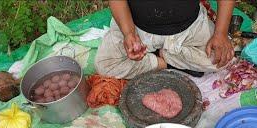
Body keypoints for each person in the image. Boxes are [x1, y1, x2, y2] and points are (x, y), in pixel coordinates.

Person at [95, 0, 235, 79]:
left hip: (190, 28)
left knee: (223, 60)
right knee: (105, 65)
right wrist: (129, 33)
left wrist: (221, 34)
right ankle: (164, 63)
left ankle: (165, 54)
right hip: (138, 28)